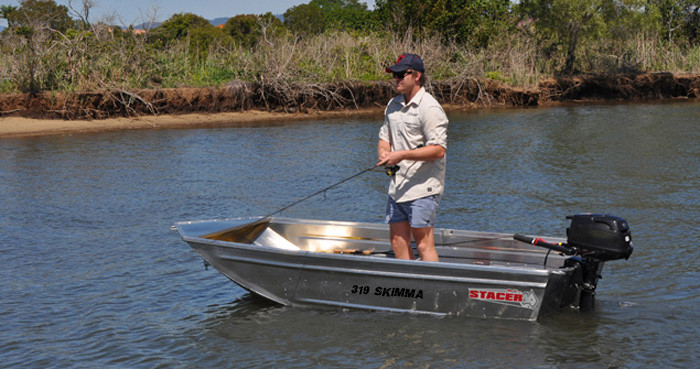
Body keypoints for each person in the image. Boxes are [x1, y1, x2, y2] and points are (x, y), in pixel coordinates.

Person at [376, 53, 448, 262]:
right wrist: (384, 152)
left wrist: (401, 155)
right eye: (394, 75)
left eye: (400, 74)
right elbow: (384, 137)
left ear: (416, 76)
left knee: (424, 244)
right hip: (397, 187)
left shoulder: (430, 108)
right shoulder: (393, 105)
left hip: (423, 188)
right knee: (397, 239)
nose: (396, 79)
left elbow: (438, 149)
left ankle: (432, 288)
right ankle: (405, 285)